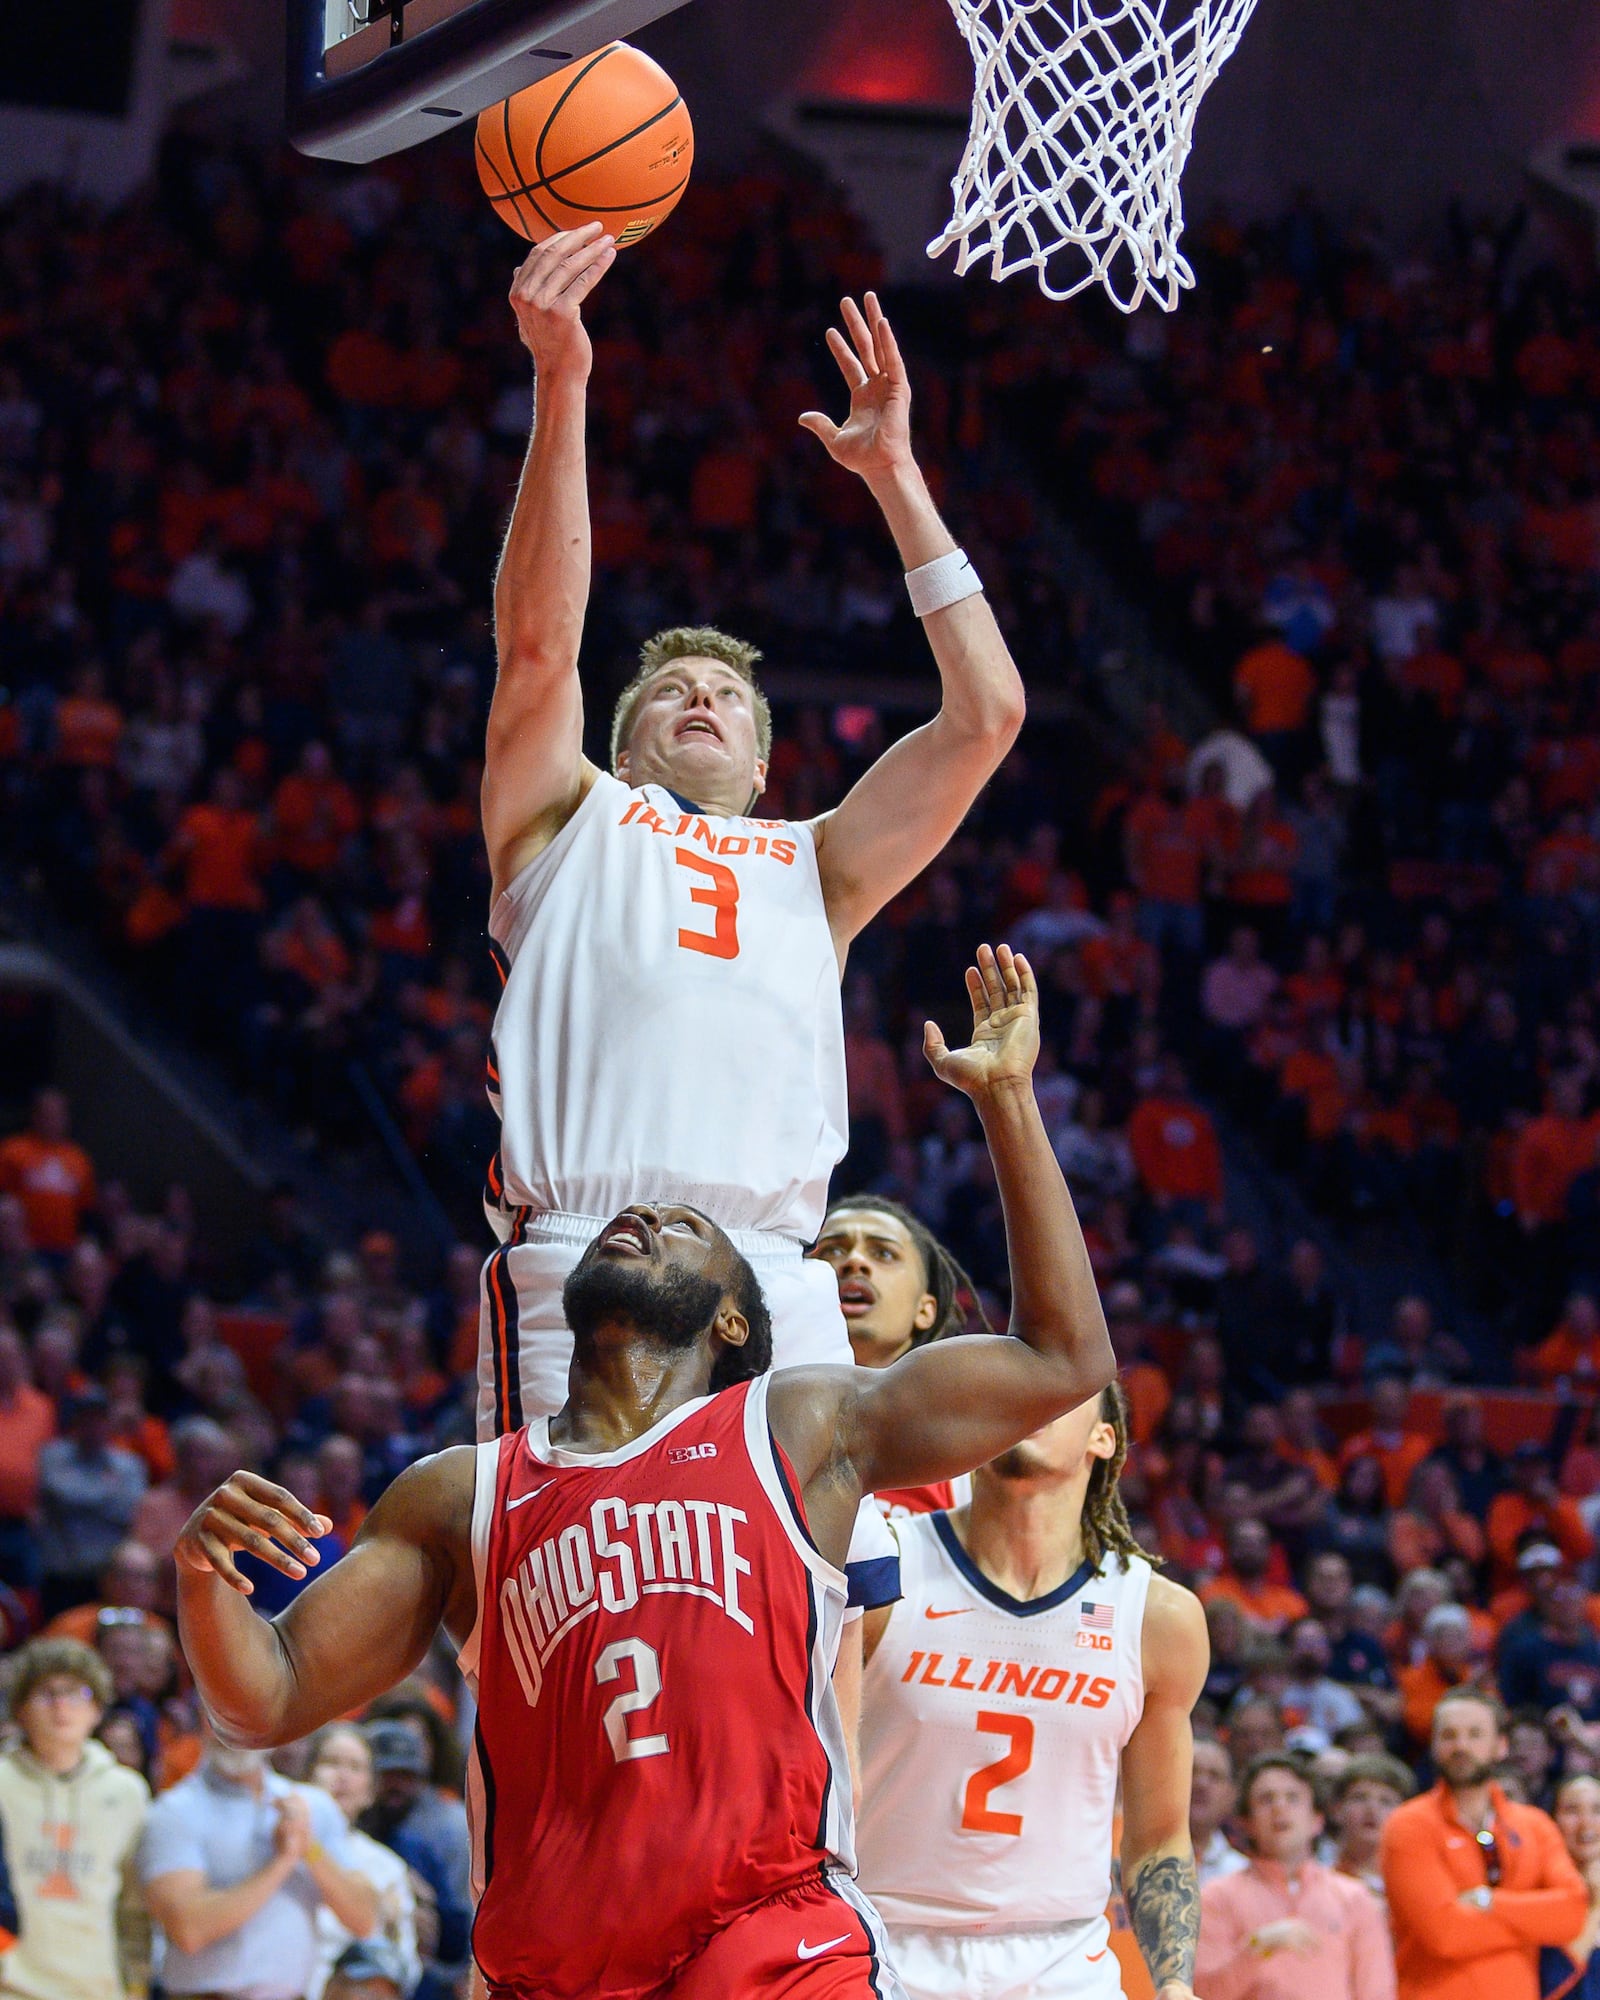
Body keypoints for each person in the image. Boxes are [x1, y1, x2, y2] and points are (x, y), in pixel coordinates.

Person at [171, 945, 1117, 1998]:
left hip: (772, 1936)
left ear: (730, 1316)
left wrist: (1006, 1101)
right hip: (561, 1966)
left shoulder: (797, 1422)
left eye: (690, 1230)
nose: (653, 1216)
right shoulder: (459, 1493)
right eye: (638, 1219)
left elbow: (1062, 1358)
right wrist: (205, 1581)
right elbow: (265, 1698)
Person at [476, 224, 1022, 1434]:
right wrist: (562, 378)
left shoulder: (815, 862)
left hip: (780, 1267)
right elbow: (537, 644)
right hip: (587, 1250)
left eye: (726, 694)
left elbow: (987, 715)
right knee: (561, 1601)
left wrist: (896, 478)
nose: (701, 698)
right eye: (670, 693)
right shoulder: (569, 816)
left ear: (768, 761)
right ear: (621, 750)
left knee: (804, 1621)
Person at [855, 1365, 1209, 2000]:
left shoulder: (1157, 1617)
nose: (1028, 1401)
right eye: (1008, 1387)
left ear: (1105, 1437)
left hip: (1065, 1963)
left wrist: (1175, 1984)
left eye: (1057, 1392)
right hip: (883, 1947)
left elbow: (1159, 1837)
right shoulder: (881, 1568)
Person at [139, 1718, 379, 2000]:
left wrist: (309, 1849)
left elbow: (365, 1920)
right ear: (204, 1719)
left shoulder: (312, 1806)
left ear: (272, 1721)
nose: (237, 1729)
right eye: (222, 1713)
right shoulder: (173, 1812)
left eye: (247, 1714)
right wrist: (283, 1862)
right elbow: (189, 1930)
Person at [1382, 1688, 1587, 2000]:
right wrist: (1534, 1918)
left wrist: (1487, 1902)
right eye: (1449, 1735)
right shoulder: (1408, 1825)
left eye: (1475, 1734)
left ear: (1500, 1746)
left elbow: (1571, 1914)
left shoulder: (1535, 1825)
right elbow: (1445, 1934)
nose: (1461, 1746)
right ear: (1434, 1745)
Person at [809, 1193, 985, 1513]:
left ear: (925, 1310)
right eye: (832, 1250)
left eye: (884, 1254)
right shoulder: (741, 1410)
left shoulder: (970, 1449)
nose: (854, 1262)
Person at [0, 1636, 142, 2000]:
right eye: (46, 1693)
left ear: (97, 1709)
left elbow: (135, 1904)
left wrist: (137, 1981)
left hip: (96, 1987)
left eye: (76, 1693)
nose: (62, 1706)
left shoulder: (126, 1791)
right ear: (20, 1709)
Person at [1197, 1754, 1395, 1999]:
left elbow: (1376, 1992)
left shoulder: (1355, 1897)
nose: (1280, 1807)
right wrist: (1258, 1946)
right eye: (1266, 1799)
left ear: (1317, 1820)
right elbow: (1204, 1992)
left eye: (1293, 1798)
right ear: (1245, 1823)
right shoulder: (1216, 1897)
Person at [304, 1724, 421, 2000]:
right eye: (331, 1762)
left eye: (356, 1767)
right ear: (307, 1776)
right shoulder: (280, 1842)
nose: (342, 1776)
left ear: (370, 1792)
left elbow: (406, 1966)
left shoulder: (388, 1867)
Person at [1326, 1753, 1415, 1905]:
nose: (1372, 1810)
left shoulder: (1416, 1881)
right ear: (1337, 1809)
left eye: (1386, 1801)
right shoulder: (1322, 1881)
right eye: (1359, 1797)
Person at [1544, 1771, 1600, 1998]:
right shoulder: (1540, 1894)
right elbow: (1548, 1984)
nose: (1586, 1822)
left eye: (1597, 1810)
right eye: (1572, 1810)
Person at [1194, 1734, 1250, 1887]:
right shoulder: (1135, 1859)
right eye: (1191, 1771)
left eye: (1215, 1776)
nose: (1201, 1783)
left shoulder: (1242, 1872)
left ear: (1232, 1796)